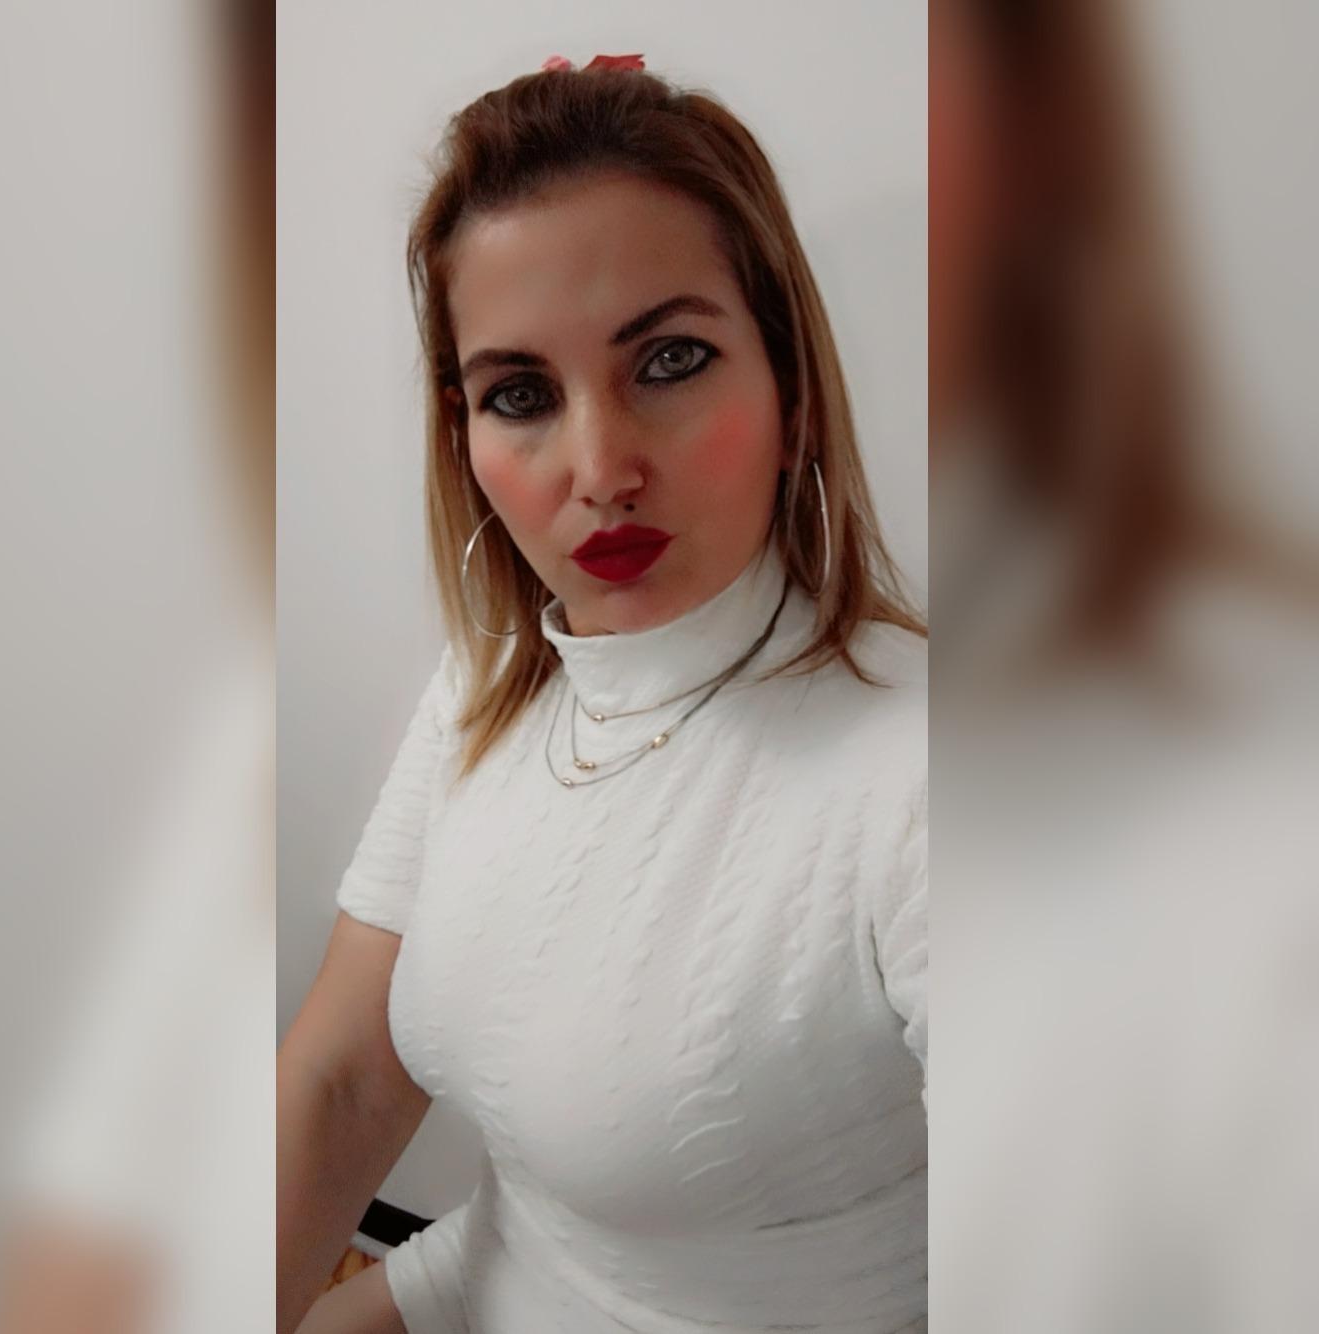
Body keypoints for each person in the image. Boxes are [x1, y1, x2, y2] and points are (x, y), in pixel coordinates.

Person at [279, 55, 927, 1334]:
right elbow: (348, 1079)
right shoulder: (489, 685)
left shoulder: (923, 771)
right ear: (463, 436)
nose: (600, 466)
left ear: (794, 394)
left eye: (671, 359)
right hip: (489, 1272)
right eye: (521, 394)